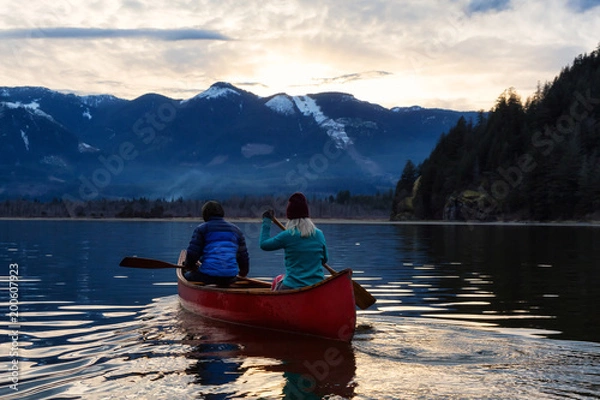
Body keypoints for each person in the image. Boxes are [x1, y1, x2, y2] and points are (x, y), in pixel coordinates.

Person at [260, 192, 327, 290]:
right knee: (279, 279)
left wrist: (266, 222)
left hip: (291, 286)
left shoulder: (288, 235)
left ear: (290, 217)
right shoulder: (319, 234)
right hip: (317, 286)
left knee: (277, 281)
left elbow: (264, 244)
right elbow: (325, 259)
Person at [183, 201, 249, 286]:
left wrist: (189, 266)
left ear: (205, 215)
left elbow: (192, 254)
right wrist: (243, 273)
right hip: (230, 277)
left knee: (186, 277)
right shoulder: (236, 230)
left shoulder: (202, 229)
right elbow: (243, 256)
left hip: (208, 276)